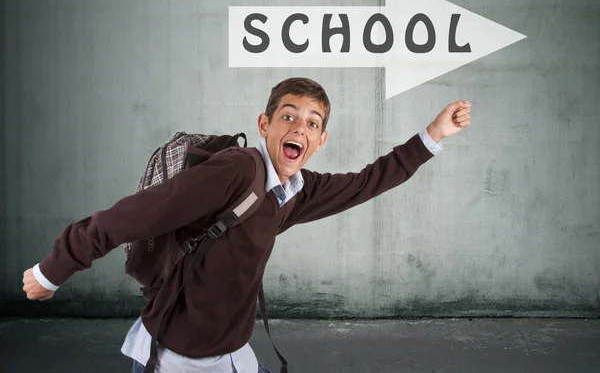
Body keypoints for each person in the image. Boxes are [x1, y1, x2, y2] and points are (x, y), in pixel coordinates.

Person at [22, 77, 471, 373]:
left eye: (312, 123)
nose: (299, 127)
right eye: (289, 116)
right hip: (176, 358)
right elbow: (134, 214)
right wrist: (53, 269)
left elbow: (367, 182)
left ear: (320, 140)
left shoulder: (296, 190)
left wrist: (432, 135)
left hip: (233, 354)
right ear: (265, 123)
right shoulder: (236, 170)